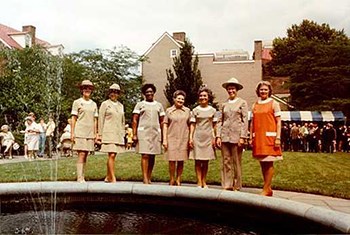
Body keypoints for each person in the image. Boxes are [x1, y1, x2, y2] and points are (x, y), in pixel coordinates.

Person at [249, 81, 282, 196]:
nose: (263, 91)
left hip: (270, 138)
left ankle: (266, 187)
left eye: (265, 89)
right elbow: (252, 122)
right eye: (261, 89)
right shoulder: (255, 105)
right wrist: (250, 136)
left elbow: (278, 122)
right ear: (258, 91)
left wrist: (278, 137)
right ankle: (267, 188)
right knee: (262, 163)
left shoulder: (274, 103)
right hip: (258, 138)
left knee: (269, 162)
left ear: (269, 91)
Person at [216, 78, 248, 191]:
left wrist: (243, 137)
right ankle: (226, 184)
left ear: (237, 89)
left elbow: (245, 120)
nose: (231, 91)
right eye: (229, 89)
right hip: (225, 135)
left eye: (233, 88)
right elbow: (220, 120)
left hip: (237, 136)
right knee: (226, 160)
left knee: (236, 161)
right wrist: (218, 136)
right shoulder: (223, 104)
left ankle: (237, 184)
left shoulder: (242, 103)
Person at [132, 83, 165, 184]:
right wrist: (134, 134)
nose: (149, 93)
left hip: (155, 133)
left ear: (154, 92)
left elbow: (162, 121)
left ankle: (149, 176)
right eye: (147, 92)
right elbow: (134, 120)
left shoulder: (159, 105)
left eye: (151, 91)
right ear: (144, 94)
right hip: (143, 132)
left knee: (152, 155)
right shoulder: (140, 104)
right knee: (145, 155)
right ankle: (145, 177)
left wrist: (163, 135)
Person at [189, 86, 217, 188]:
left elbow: (214, 126)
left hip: (208, 138)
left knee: (205, 161)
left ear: (208, 97)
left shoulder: (213, 110)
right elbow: (192, 124)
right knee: (197, 160)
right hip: (197, 136)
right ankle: (199, 182)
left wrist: (215, 137)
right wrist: (190, 138)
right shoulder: (195, 110)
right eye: (201, 96)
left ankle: (204, 181)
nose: (202, 97)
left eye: (205, 95)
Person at [71, 80, 98, 183]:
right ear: (82, 90)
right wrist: (72, 133)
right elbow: (73, 118)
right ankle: (79, 177)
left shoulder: (94, 104)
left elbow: (95, 120)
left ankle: (83, 175)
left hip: (90, 131)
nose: (87, 90)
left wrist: (96, 133)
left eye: (89, 88)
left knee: (86, 154)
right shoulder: (77, 102)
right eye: (85, 88)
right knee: (81, 153)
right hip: (80, 130)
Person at [98, 83, 125, 183]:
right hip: (108, 132)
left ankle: (108, 176)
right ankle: (113, 177)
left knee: (113, 155)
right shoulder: (105, 104)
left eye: (116, 92)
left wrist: (123, 133)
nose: (114, 94)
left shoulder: (121, 106)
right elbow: (101, 119)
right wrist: (99, 134)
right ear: (109, 93)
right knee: (112, 154)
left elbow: (123, 120)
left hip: (118, 133)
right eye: (112, 92)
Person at [163, 90, 191, 186]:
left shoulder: (187, 111)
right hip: (171, 137)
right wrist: (165, 139)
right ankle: (171, 179)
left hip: (183, 137)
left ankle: (178, 179)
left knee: (181, 160)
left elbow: (190, 125)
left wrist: (190, 138)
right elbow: (165, 125)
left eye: (182, 99)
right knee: (171, 160)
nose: (181, 100)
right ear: (174, 99)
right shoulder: (168, 111)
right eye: (179, 98)